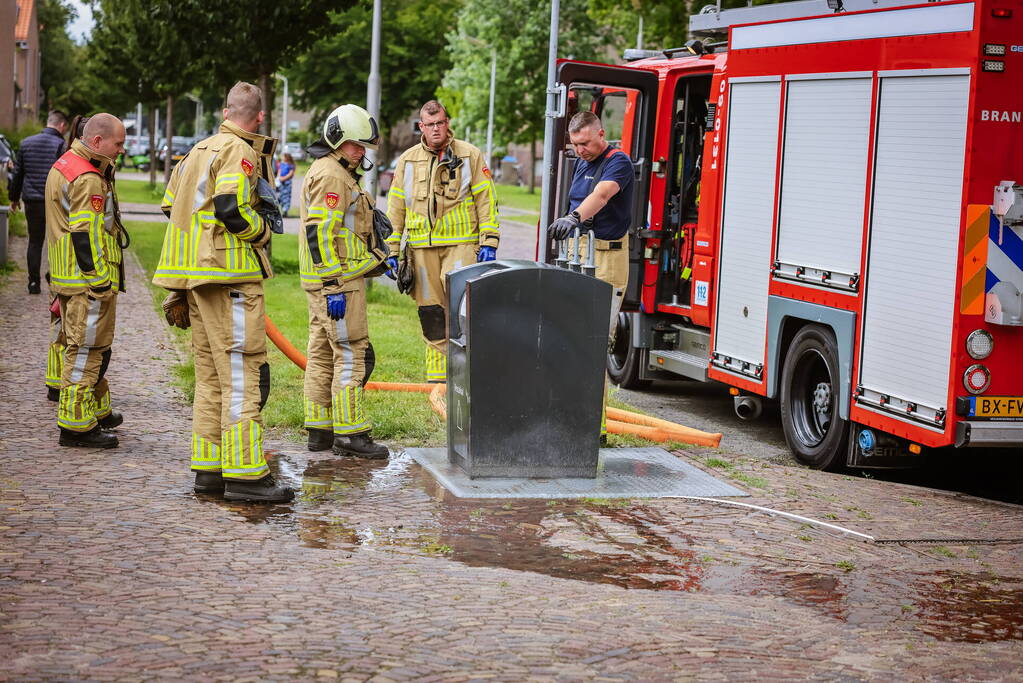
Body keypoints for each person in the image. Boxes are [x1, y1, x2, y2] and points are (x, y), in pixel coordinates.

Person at [153, 81, 292, 503]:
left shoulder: (196, 151)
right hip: (229, 278)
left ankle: (209, 471)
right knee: (242, 375)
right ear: (260, 117)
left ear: (225, 110)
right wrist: (264, 229)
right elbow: (231, 207)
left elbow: (170, 207)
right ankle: (247, 475)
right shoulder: (240, 151)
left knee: (211, 377)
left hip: (196, 281)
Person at [298, 104, 391, 459]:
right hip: (338, 283)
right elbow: (320, 233)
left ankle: (319, 430)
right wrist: (335, 283)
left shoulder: (331, 170)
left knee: (322, 354)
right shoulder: (333, 176)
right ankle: (352, 435)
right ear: (337, 140)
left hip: (323, 280)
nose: (360, 152)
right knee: (352, 353)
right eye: (355, 145)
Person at [386, 100, 499, 383]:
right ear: (420, 127)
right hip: (421, 248)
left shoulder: (470, 155)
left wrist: (489, 240)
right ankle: (437, 382)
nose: (436, 129)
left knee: (462, 312)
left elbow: (487, 199)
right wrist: (390, 248)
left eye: (440, 123)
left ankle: (465, 377)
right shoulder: (407, 160)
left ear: (447, 123)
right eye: (430, 124)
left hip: (461, 244)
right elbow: (395, 208)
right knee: (431, 313)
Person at [547, 111, 635, 439]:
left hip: (608, 258)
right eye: (575, 145)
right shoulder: (583, 161)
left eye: (584, 143)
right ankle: (569, 414)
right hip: (581, 253)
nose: (580, 150)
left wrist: (572, 217)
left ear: (601, 133)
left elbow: (600, 195)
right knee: (571, 338)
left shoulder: (618, 161)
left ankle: (592, 428)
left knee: (594, 342)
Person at [44, 113, 127, 448]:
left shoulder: (66, 163)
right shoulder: (87, 177)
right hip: (87, 282)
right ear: (97, 141)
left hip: (68, 276)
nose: (121, 150)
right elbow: (85, 234)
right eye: (118, 144)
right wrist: (101, 280)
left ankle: (95, 410)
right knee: (87, 349)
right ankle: (77, 425)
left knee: (82, 345)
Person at [44, 115, 92, 403]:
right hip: (76, 268)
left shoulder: (62, 163)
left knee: (59, 328)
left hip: (59, 264)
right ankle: (63, 388)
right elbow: (84, 228)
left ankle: (54, 380)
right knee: (78, 337)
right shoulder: (82, 174)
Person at [9, 110, 69, 294]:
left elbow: (18, 174)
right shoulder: (61, 145)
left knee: (34, 241)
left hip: (31, 200)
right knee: (56, 240)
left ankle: (33, 282)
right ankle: (53, 274)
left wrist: (13, 198)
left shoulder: (26, 143)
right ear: (61, 125)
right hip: (54, 201)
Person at [276, 152, 295, 217]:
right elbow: (279, 171)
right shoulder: (281, 164)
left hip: (287, 183)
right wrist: (279, 178)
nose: (282, 158)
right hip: (281, 182)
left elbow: (291, 173)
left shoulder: (290, 165)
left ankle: (285, 211)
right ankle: (280, 209)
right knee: (280, 196)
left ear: (287, 157)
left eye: (283, 156)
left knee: (286, 196)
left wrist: (284, 178)